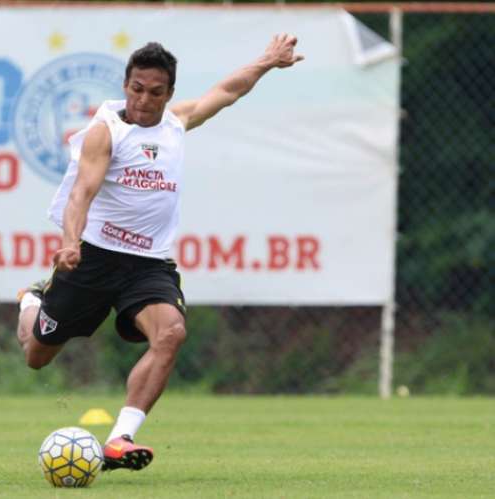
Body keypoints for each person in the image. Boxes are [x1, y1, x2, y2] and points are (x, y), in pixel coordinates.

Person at [16, 34, 304, 471]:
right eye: (136, 89)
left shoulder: (176, 121)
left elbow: (227, 91)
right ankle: (32, 300)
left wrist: (266, 61)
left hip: (148, 264)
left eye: (155, 92)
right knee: (37, 355)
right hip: (92, 256)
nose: (143, 100)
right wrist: (70, 242)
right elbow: (81, 193)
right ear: (125, 85)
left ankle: (119, 439)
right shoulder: (105, 132)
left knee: (171, 333)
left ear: (169, 94)